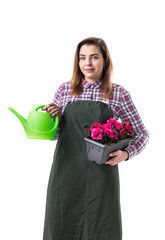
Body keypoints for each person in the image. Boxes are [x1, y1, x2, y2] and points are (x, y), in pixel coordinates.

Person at [42, 37, 149, 240]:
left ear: (105, 60)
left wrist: (126, 154)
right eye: (82, 58)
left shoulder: (118, 94)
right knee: (61, 225)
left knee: (101, 228)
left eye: (94, 57)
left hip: (101, 175)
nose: (87, 63)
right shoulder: (65, 90)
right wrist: (52, 118)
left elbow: (141, 133)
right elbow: (55, 135)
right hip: (65, 172)